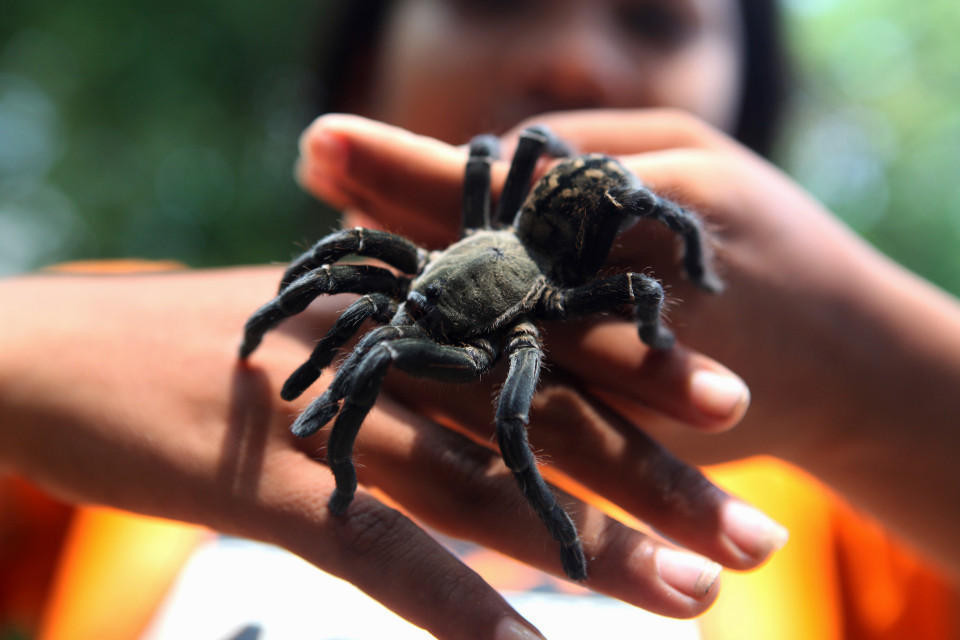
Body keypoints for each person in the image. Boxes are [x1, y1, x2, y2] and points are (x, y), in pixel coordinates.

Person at [1, 1, 958, 639]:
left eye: (657, 17)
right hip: (464, 278)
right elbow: (344, 301)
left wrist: (872, 369)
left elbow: (618, 297)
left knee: (506, 410)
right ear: (365, 55)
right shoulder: (122, 342)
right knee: (359, 304)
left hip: (537, 288)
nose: (572, 55)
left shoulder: (835, 485)